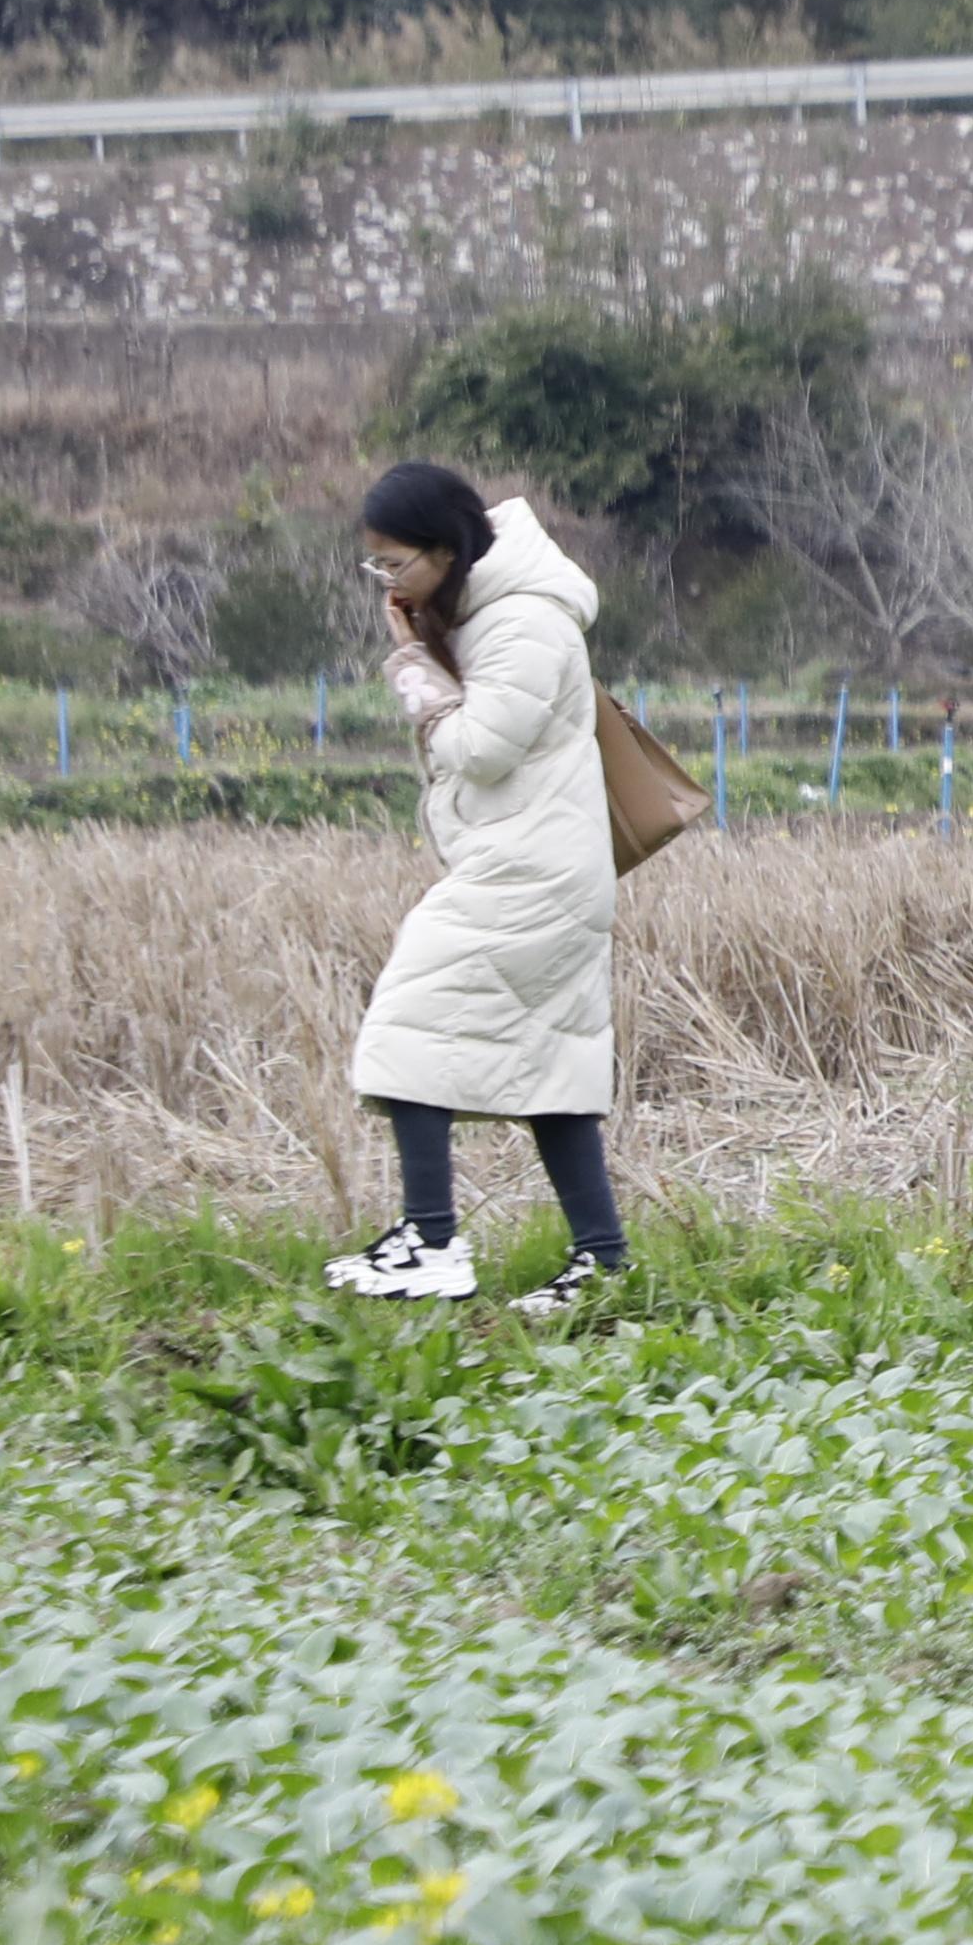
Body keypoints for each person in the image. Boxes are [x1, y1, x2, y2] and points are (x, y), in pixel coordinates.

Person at [330, 458, 629, 1310]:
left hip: (534, 873)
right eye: (377, 567)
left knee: (408, 1018)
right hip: (538, 863)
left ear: (447, 548)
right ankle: (602, 1264)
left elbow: (479, 749)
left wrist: (411, 668)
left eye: (396, 564)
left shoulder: (526, 623)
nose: (387, 583)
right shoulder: (490, 616)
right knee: (552, 1067)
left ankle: (429, 1240)